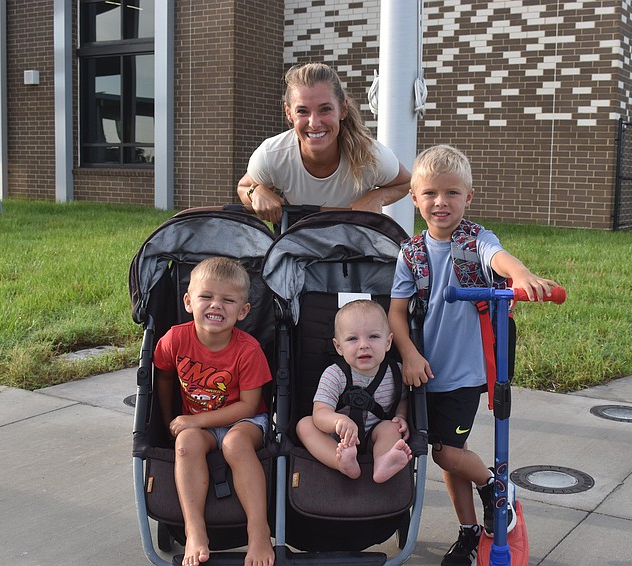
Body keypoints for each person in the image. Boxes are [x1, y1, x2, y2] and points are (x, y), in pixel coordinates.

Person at [387, 145, 558, 566]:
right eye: (429, 194)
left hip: (464, 372)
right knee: (446, 453)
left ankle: (499, 490)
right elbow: (395, 312)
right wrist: (408, 353)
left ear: (469, 197)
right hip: (425, 370)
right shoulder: (410, 253)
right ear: (414, 198)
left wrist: (520, 275)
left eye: (451, 193)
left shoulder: (475, 240)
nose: (440, 202)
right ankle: (468, 531)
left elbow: (497, 259)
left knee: (446, 452)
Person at [153, 257, 274, 566]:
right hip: (198, 425)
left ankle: (258, 532)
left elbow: (247, 405)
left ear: (244, 311)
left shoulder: (248, 351)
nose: (216, 305)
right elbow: (164, 377)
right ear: (189, 301)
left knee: (235, 443)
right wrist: (170, 421)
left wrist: (194, 419)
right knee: (186, 443)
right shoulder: (174, 340)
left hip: (245, 420)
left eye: (228, 300)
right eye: (206, 296)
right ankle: (195, 531)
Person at [237, 62, 411, 224]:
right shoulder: (272, 154)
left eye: (325, 109)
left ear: (343, 109)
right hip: (298, 243)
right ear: (288, 113)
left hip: (355, 244)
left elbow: (406, 183)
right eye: (302, 111)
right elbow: (243, 187)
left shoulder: (371, 155)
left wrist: (376, 197)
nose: (314, 123)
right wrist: (255, 192)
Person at [296, 299, 412, 483]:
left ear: (388, 342)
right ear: (338, 347)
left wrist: (401, 416)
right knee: (304, 425)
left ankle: (383, 461)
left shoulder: (396, 372)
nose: (364, 345)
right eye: (352, 339)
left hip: (375, 434)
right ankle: (340, 462)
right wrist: (338, 420)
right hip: (338, 440)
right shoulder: (334, 374)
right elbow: (320, 412)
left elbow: (403, 398)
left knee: (391, 427)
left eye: (373, 336)